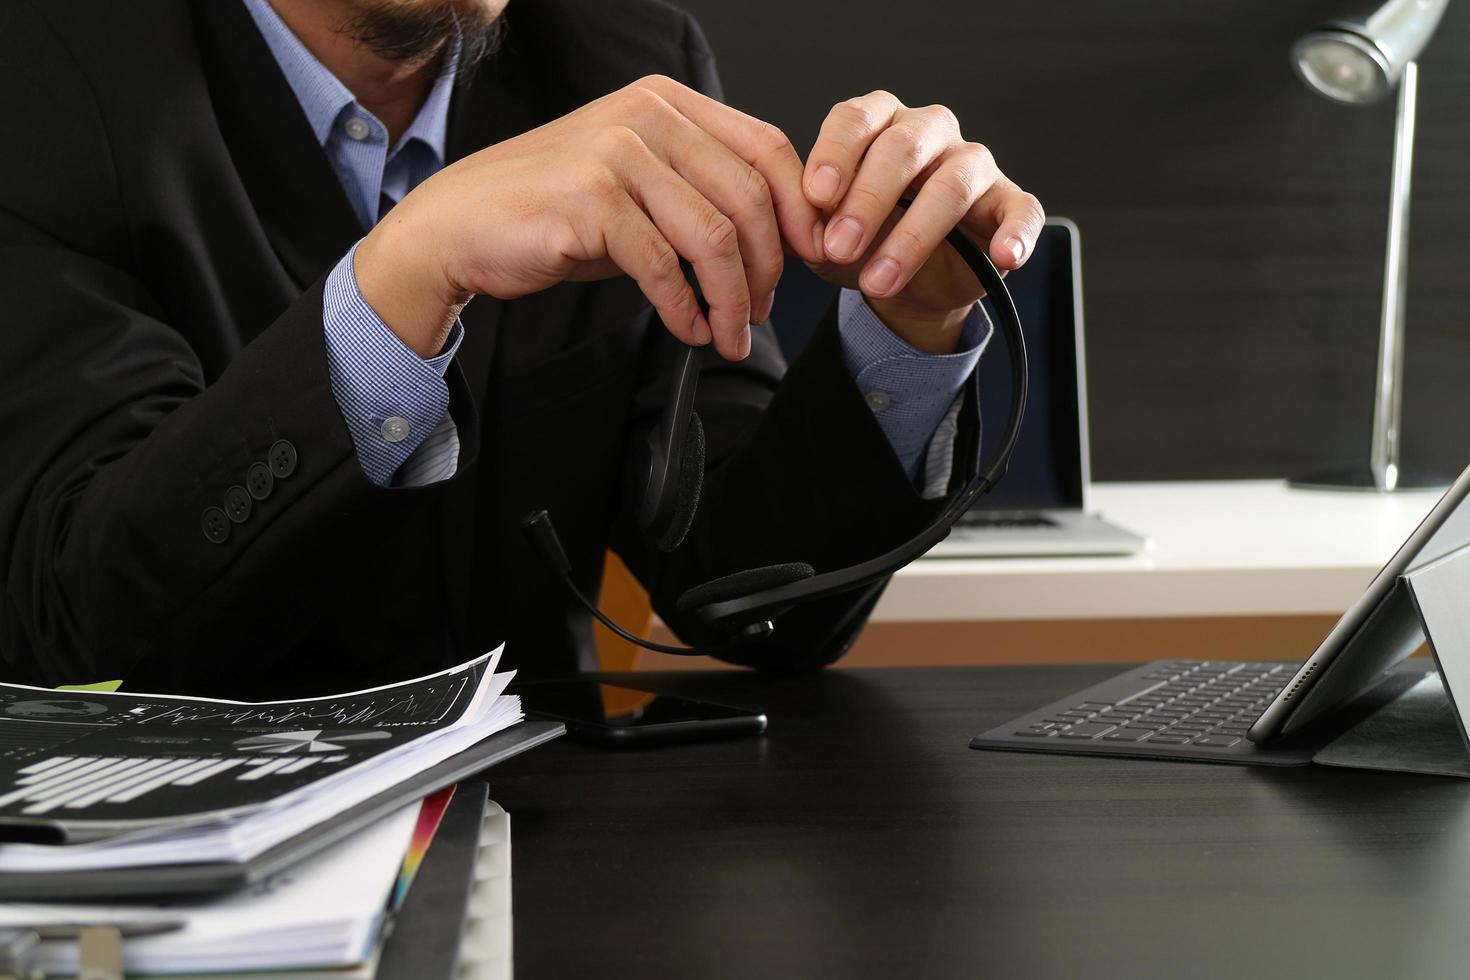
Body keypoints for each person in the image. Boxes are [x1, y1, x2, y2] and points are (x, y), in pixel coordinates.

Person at [0, 0, 1044, 698]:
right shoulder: (43, 71)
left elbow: (745, 586)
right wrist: (405, 274)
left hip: (559, 875)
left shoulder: (624, 59)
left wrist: (913, 320)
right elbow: (77, 608)